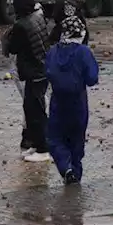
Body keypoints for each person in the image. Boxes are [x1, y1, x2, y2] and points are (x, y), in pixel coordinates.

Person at [45, 16, 99, 184]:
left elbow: (47, 72)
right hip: (78, 102)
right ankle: (75, 173)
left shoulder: (52, 51)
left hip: (57, 101)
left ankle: (65, 167)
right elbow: (92, 79)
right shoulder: (84, 52)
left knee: (55, 138)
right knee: (76, 140)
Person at [2, 0, 52, 162]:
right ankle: (37, 144)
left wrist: (7, 40)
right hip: (42, 69)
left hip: (34, 72)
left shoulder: (22, 25)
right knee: (31, 109)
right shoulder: (37, 17)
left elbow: (14, 48)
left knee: (35, 111)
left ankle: (44, 148)